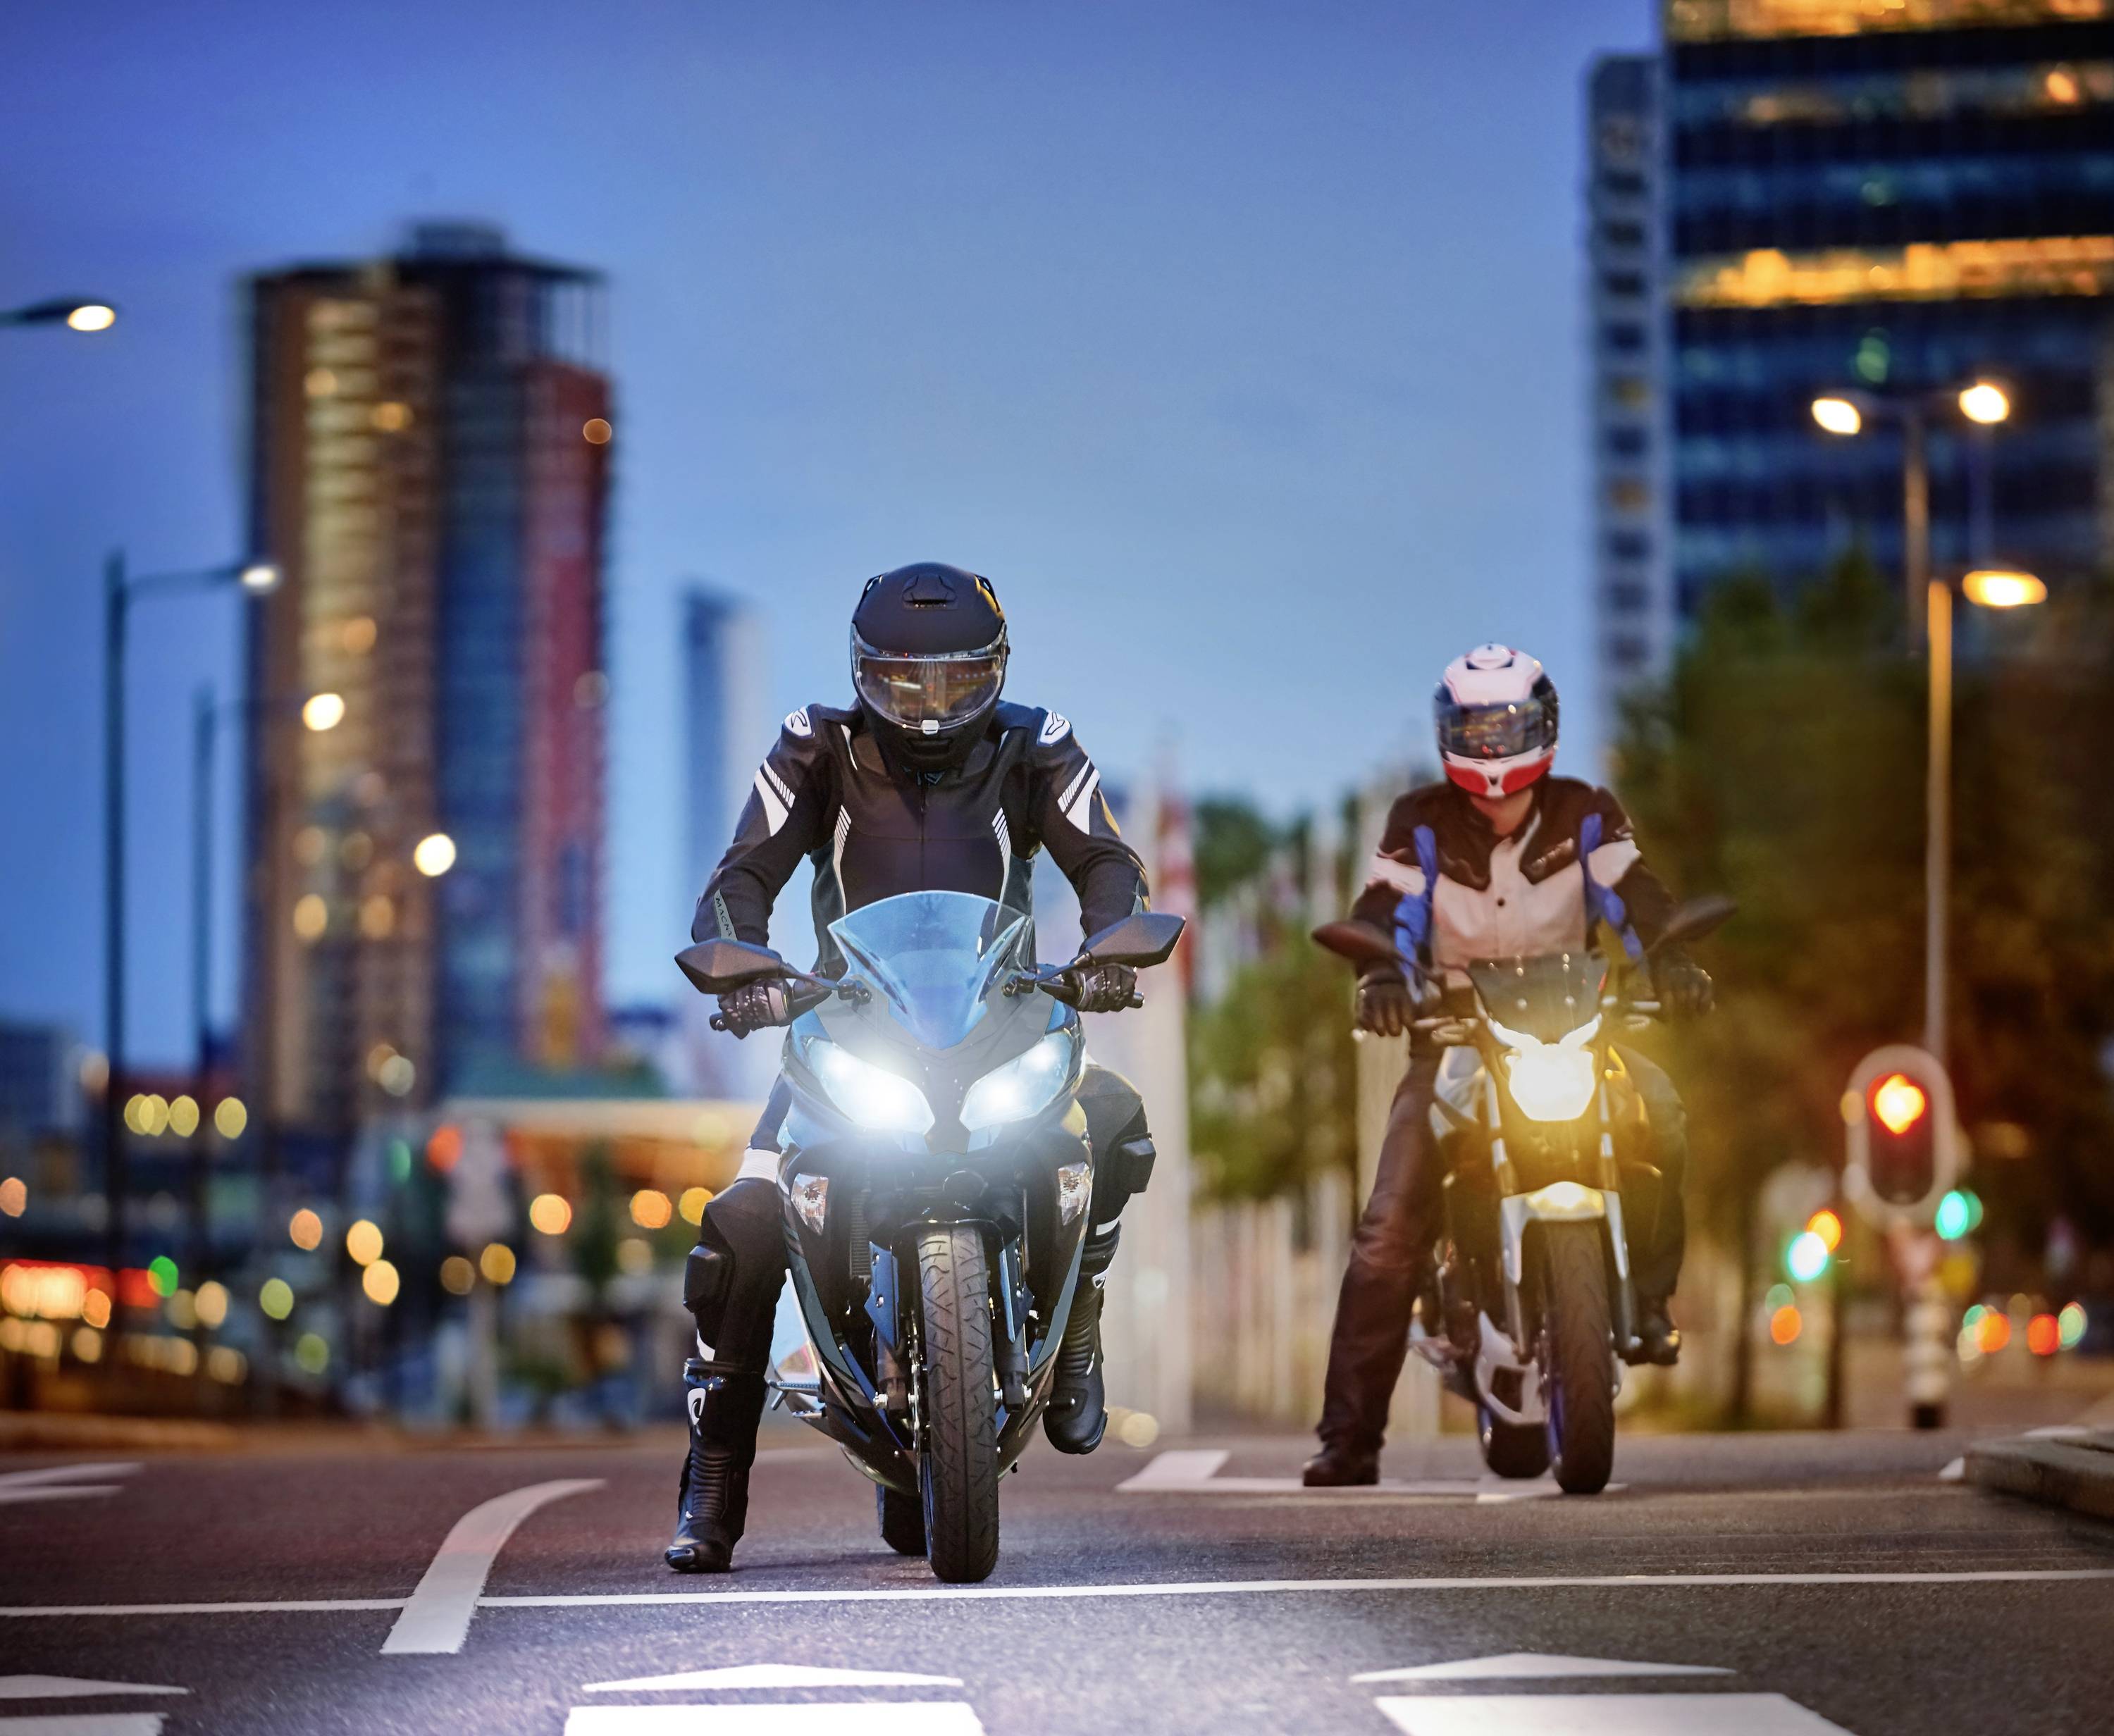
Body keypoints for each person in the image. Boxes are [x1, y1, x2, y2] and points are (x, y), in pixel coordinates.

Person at [668, 561, 1159, 1570]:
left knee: (1112, 1123)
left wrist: (1110, 946)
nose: (930, 705)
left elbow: (1107, 861)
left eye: (955, 679)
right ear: (863, 672)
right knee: (743, 1229)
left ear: (996, 670)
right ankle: (712, 1482)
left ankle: (1078, 1328)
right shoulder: (815, 747)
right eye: (904, 680)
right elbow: (739, 877)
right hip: (849, 1032)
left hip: (1003, 1025)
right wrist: (743, 964)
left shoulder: (1039, 743)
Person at [1304, 643, 1712, 1488]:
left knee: (1665, 1113)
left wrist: (1670, 960)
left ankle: (1649, 1302)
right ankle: (1350, 1440)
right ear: (1448, 733)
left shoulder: (1586, 812)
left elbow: (1634, 896)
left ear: (1544, 725)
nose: (1491, 744)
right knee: (1387, 1230)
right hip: (1455, 1042)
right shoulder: (1416, 822)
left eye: (1508, 725)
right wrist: (1382, 975)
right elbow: (1386, 909)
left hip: (1577, 1036)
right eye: (1474, 728)